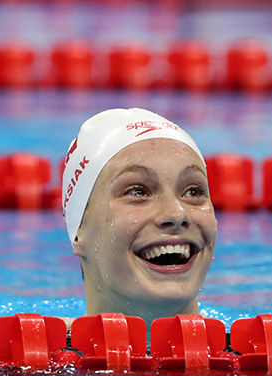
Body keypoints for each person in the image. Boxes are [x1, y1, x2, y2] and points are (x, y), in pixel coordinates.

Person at [63, 108, 217, 329]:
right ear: (79, 230)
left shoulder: (268, 351)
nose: (176, 214)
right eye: (138, 191)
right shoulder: (10, 352)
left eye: (193, 191)